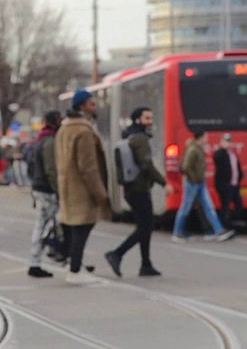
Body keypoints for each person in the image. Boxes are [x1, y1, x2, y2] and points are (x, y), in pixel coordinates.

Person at [104, 107, 174, 278]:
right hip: (139, 189)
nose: (150, 121)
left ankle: (145, 264)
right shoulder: (140, 139)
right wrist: (164, 183)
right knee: (146, 227)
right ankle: (117, 254)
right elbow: (147, 164)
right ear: (137, 120)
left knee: (145, 226)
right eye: (146, 118)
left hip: (133, 188)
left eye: (151, 118)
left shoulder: (130, 136)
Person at [56, 89, 111, 285]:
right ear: (82, 107)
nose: (95, 107)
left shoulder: (64, 128)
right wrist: (100, 193)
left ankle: (74, 265)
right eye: (92, 104)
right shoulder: (83, 131)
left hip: (67, 186)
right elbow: (88, 167)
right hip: (82, 189)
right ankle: (75, 269)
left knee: (74, 227)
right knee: (83, 226)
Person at [172, 131, 235, 242]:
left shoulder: (198, 148)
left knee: (208, 207)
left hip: (200, 182)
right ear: (200, 137)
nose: (207, 139)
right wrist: (194, 178)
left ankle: (219, 230)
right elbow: (186, 167)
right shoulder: (193, 149)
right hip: (192, 183)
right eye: (205, 136)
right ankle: (177, 232)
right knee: (185, 208)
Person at [28, 110, 62, 278]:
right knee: (45, 225)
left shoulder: (40, 140)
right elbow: (51, 169)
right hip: (46, 189)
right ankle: (36, 262)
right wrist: (58, 189)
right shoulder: (49, 142)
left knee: (45, 224)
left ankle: (40, 260)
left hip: (39, 186)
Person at [213, 133, 244, 227]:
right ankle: (224, 225)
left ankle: (229, 221)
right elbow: (216, 158)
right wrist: (223, 148)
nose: (227, 143)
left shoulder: (232, 154)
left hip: (234, 185)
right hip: (224, 185)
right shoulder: (220, 153)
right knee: (225, 206)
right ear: (221, 142)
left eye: (229, 141)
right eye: (225, 141)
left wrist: (239, 178)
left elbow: (237, 168)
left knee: (239, 205)